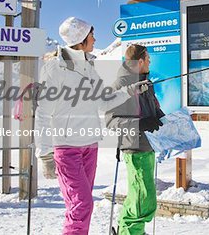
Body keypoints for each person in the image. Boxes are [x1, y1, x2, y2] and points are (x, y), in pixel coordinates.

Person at [35, 17, 149, 235]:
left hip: (90, 147)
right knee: (81, 205)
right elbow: (42, 113)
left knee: (81, 206)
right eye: (91, 35)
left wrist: (129, 90)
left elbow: (103, 101)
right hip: (67, 148)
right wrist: (45, 154)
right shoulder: (54, 69)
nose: (95, 39)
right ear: (81, 39)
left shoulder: (89, 66)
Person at [106, 44, 165, 235]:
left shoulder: (146, 83)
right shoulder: (119, 86)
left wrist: (161, 118)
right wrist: (141, 124)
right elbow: (111, 121)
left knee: (139, 197)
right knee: (143, 201)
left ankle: (128, 230)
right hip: (135, 148)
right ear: (140, 61)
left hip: (149, 146)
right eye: (148, 59)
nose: (150, 61)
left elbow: (154, 108)